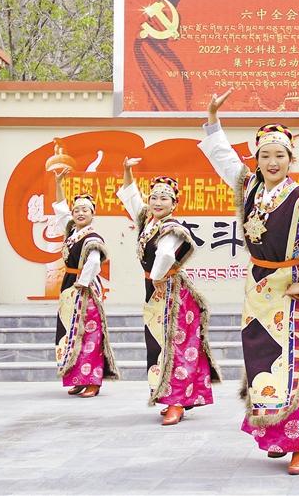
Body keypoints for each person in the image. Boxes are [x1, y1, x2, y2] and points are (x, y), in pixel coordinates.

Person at [198, 88, 299, 475]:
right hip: (259, 288)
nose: (272, 162)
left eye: (280, 155)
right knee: (263, 360)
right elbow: (224, 159)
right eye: (265, 155)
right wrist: (212, 119)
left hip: (294, 288)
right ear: (257, 159)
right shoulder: (249, 189)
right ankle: (277, 433)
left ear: (291, 160)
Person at [117, 160, 221, 426]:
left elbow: (165, 255)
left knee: (175, 345)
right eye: (154, 197)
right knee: (158, 344)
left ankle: (177, 401)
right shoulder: (148, 222)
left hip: (172, 293)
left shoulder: (172, 228)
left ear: (175, 204)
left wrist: (156, 278)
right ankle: (168, 396)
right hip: (155, 290)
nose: (157, 202)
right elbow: (131, 198)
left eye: (164, 198)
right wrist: (127, 171)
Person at [53, 168, 118, 397]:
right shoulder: (72, 232)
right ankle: (78, 378)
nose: (80, 213)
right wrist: (58, 184)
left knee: (90, 333)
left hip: (85, 288)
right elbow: (61, 211)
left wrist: (81, 284)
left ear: (93, 213)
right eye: (76, 210)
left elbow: (94, 263)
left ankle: (93, 381)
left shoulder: (93, 238)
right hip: (70, 284)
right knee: (70, 332)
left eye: (85, 210)